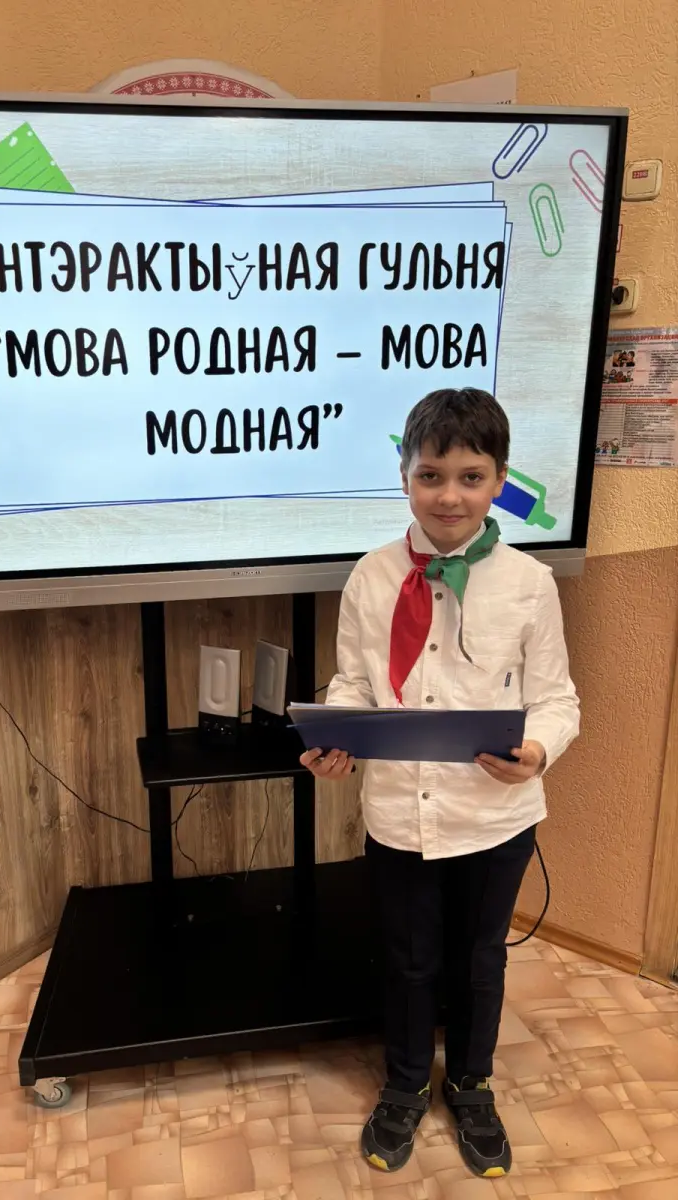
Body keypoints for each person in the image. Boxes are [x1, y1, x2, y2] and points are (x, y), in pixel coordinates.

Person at [300, 388, 579, 1180]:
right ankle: (403, 1086)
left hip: (496, 817)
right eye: (430, 476)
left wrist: (537, 750)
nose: (449, 496)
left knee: (480, 959)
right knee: (408, 959)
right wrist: (337, 734)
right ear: (404, 477)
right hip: (399, 816)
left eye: (470, 477)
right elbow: (354, 681)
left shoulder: (529, 583)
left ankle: (472, 1084)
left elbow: (558, 697)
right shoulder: (371, 577)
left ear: (499, 482)